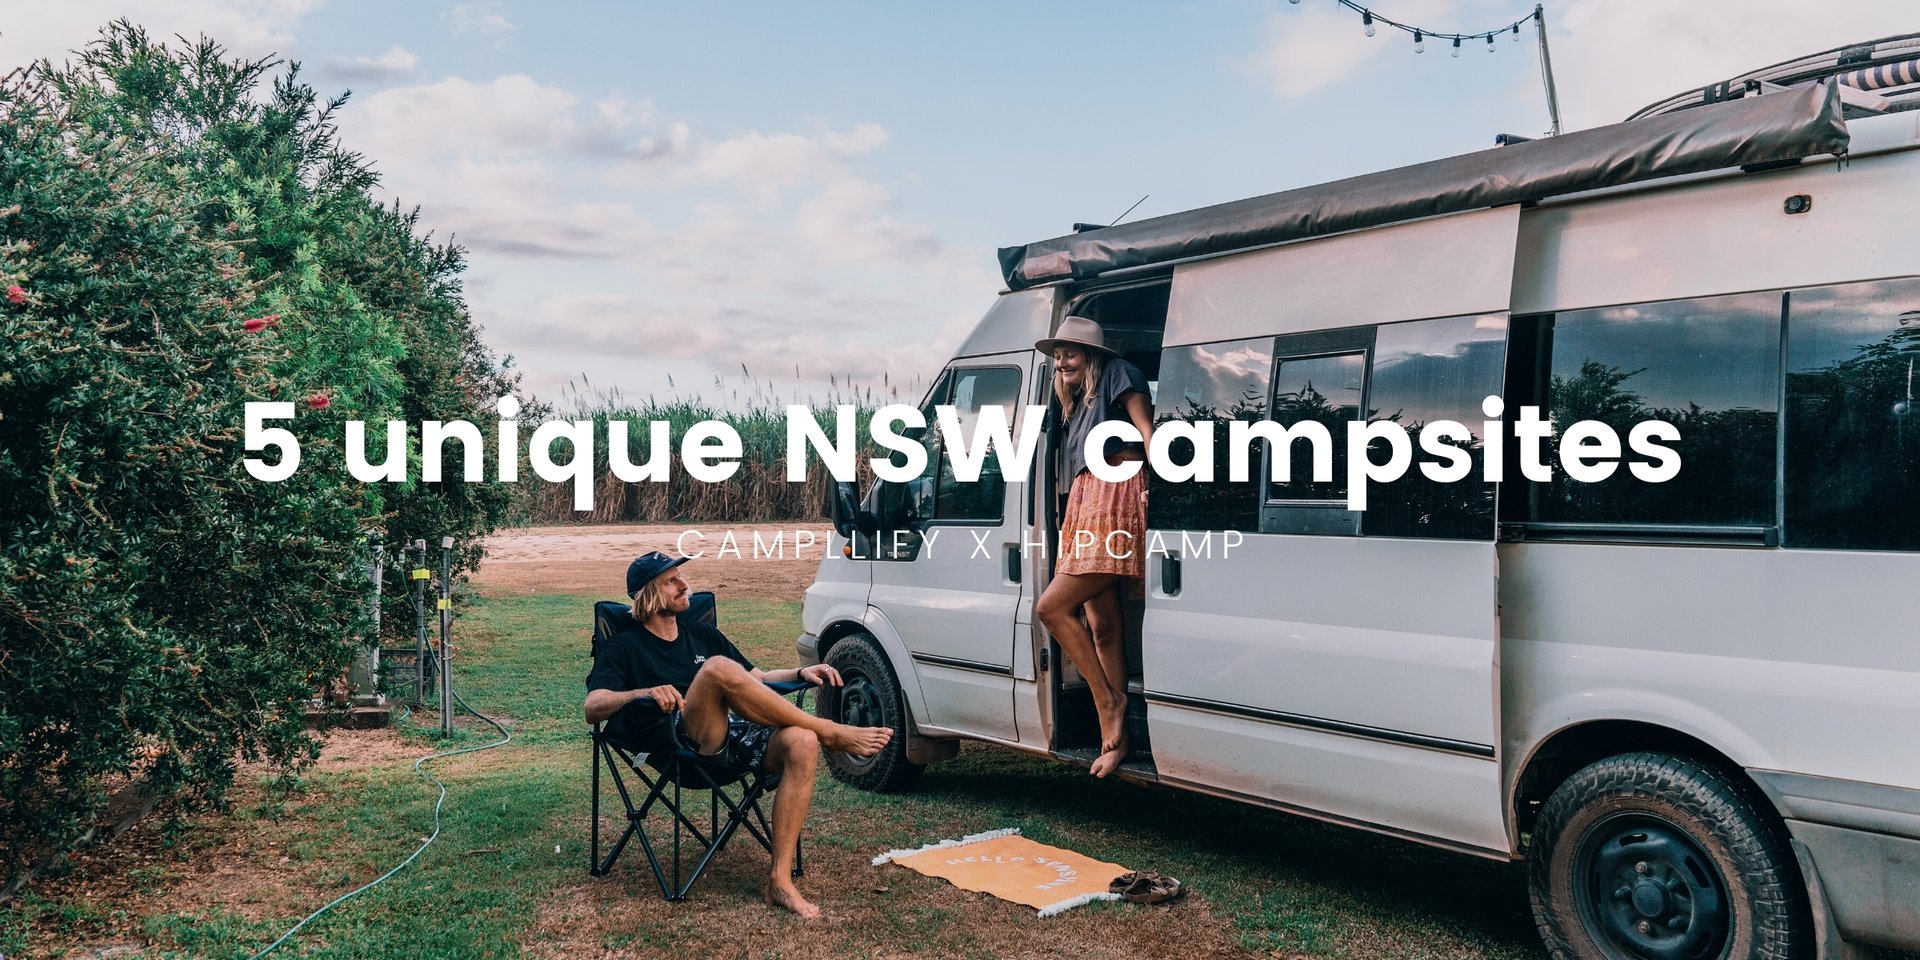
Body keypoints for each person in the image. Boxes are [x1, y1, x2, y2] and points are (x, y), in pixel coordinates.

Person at [584, 551, 893, 918]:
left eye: (681, 577)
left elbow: (756, 679)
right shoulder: (625, 646)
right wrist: (643, 692)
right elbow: (593, 706)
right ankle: (830, 731)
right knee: (716, 669)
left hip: (732, 739)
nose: (685, 585)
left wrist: (800, 673)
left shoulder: (703, 634)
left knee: (801, 741)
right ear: (649, 594)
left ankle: (779, 880)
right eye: (672, 581)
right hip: (681, 747)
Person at [1031, 316, 1154, 779]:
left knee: (1051, 608)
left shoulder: (1120, 373)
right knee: (1103, 625)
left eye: (1071, 352)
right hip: (1087, 499)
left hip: (1115, 493)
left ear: (1094, 355)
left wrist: (1160, 487)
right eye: (1057, 353)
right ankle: (1118, 743)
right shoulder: (1075, 402)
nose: (1061, 360)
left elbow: (1147, 429)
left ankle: (1108, 702)